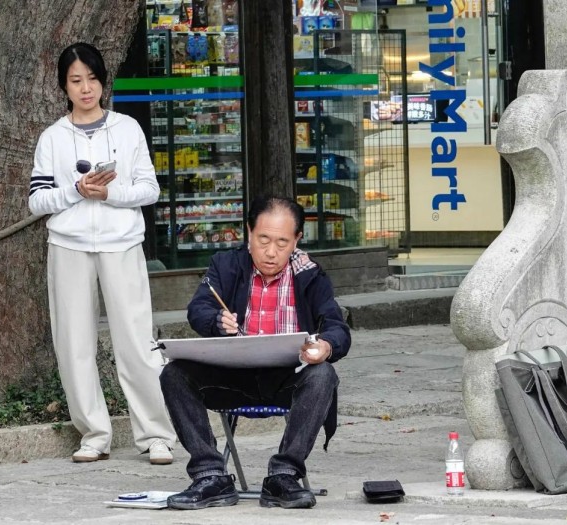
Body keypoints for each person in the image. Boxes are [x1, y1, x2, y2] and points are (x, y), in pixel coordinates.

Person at [28, 42, 176, 465]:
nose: (86, 88)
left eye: (92, 79)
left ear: (103, 81)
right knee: (74, 344)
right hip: (68, 246)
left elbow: (150, 189)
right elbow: (37, 201)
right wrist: (76, 191)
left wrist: (109, 193)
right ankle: (94, 433)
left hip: (122, 243)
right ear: (64, 86)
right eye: (76, 81)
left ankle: (155, 434)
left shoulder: (127, 129)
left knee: (136, 341)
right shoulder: (53, 137)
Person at [161, 195, 351, 510]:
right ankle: (210, 475)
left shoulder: (310, 275)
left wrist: (325, 346)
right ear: (249, 232)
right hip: (231, 378)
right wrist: (215, 320)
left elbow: (336, 326)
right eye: (263, 239)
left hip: (286, 382)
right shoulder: (227, 264)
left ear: (297, 240)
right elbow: (198, 309)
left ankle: (284, 476)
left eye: (282, 242)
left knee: (323, 375)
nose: (271, 252)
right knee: (174, 373)